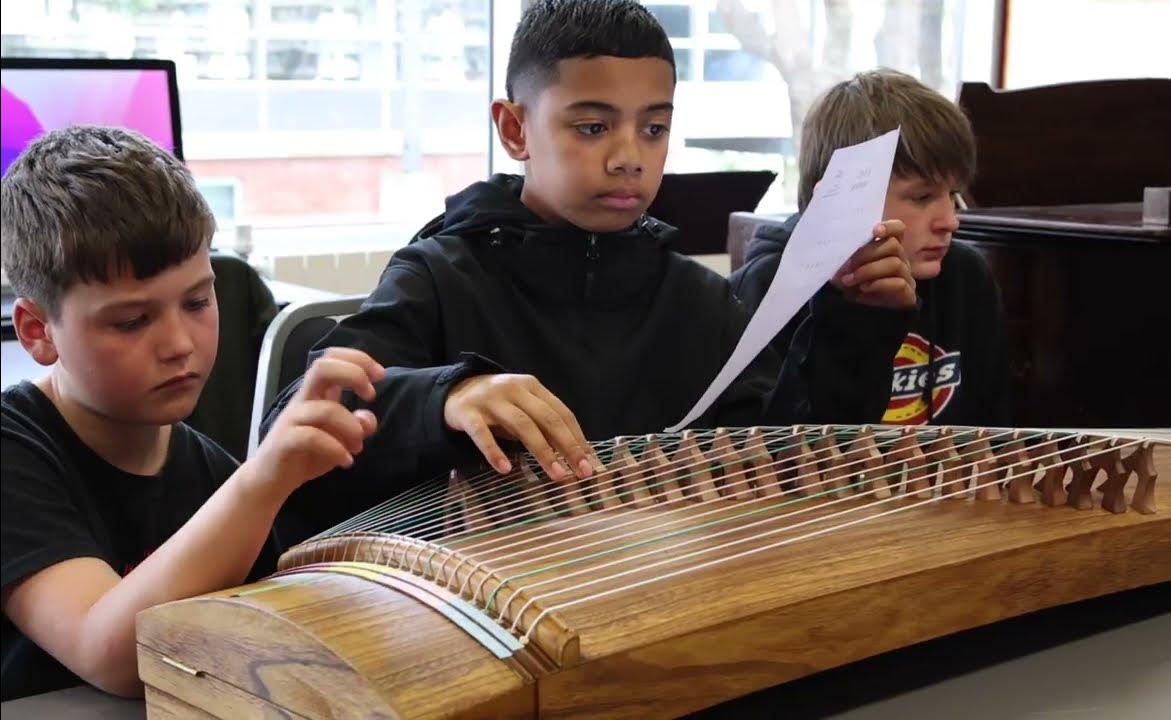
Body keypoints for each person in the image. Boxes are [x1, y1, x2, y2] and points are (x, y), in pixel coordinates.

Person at [263, 0, 918, 547]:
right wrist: (446, 398)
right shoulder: (441, 276)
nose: (629, 157)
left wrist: (854, 322)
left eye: (654, 128)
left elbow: (787, 465)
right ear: (516, 129)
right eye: (593, 126)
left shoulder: (697, 300)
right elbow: (299, 424)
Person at [1, 126, 383, 699]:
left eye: (198, 301)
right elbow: (111, 655)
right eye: (132, 321)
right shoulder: (15, 451)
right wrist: (263, 481)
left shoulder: (209, 471)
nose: (180, 343)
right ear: (38, 331)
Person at [731, 69, 1010, 427]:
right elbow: (767, 454)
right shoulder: (764, 287)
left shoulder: (967, 277)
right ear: (838, 197)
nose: (950, 220)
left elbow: (994, 433)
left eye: (953, 195)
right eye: (923, 197)